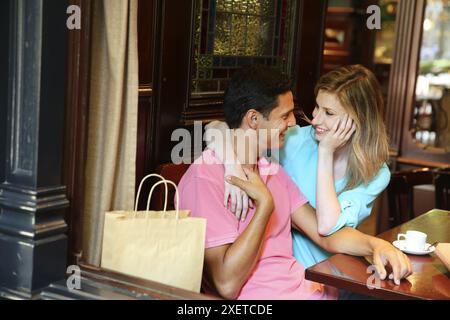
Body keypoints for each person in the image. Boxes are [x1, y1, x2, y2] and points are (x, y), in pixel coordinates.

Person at [177, 65, 411, 300]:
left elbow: (325, 234)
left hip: (312, 286)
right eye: (285, 115)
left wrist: (377, 246)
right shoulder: (206, 179)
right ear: (254, 119)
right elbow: (226, 286)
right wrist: (264, 205)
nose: (294, 123)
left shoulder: (272, 170)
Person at [206, 64, 391, 268]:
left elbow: (327, 225)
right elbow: (218, 128)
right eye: (317, 106)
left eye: (328, 112)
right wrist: (231, 166)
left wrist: (325, 152)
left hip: (333, 270)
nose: (315, 119)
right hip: (282, 268)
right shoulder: (294, 139)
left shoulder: (376, 172)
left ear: (358, 119)